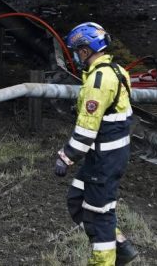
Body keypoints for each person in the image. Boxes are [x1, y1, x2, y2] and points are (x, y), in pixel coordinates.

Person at [55, 22, 139, 266]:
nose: (74, 55)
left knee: (98, 216)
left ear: (85, 50)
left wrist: (65, 157)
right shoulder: (117, 71)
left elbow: (87, 128)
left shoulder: (98, 81)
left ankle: (105, 260)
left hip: (103, 160)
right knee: (76, 199)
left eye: (75, 50)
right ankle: (121, 248)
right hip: (107, 157)